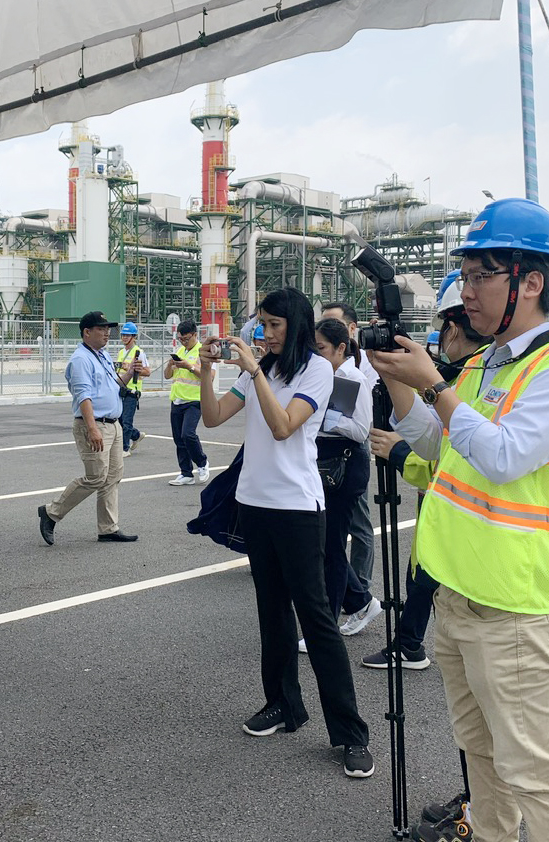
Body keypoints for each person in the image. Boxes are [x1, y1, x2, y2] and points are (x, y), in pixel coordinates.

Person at [370, 199, 549, 840]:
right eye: (464, 275)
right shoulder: (485, 363)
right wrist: (400, 380)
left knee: (537, 774)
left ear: (530, 281)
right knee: (483, 759)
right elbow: (438, 442)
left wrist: (435, 386)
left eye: (480, 276)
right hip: (459, 598)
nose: (464, 292)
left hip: (518, 610)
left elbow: (502, 457)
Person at [199, 286, 375, 779]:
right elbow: (213, 418)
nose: (265, 332)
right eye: (262, 323)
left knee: (316, 619)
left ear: (295, 325)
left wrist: (253, 370)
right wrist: (208, 368)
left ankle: (350, 733)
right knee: (271, 613)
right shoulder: (264, 368)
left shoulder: (317, 370)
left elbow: (284, 427)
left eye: (275, 325)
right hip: (254, 504)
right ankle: (282, 705)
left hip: (298, 508)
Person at [362, 270, 492, 672]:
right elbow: (434, 438)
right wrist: (395, 371)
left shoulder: (494, 373)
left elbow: (453, 454)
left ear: (452, 326)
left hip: (489, 557)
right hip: (455, 530)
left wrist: (399, 453)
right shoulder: (469, 374)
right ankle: (409, 644)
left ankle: (408, 643)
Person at [37, 311, 139, 546]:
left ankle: (108, 528)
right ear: (87, 332)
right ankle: (51, 512)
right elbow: (84, 397)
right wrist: (92, 429)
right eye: (102, 329)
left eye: (107, 328)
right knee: (96, 477)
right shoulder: (81, 359)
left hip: (113, 425)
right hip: (95, 425)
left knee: (113, 477)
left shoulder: (101, 355)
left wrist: (131, 372)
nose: (107, 333)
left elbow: (113, 385)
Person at [308, 318, 380, 650]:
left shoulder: (350, 377)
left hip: (344, 464)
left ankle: (329, 623)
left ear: (340, 348)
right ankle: (362, 602)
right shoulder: (327, 374)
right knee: (326, 543)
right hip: (327, 463)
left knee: (332, 545)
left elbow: (360, 429)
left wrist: (325, 417)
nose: (316, 355)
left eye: (321, 349)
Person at [164, 320, 210, 486]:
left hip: (194, 400)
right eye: (181, 339)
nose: (183, 341)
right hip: (177, 400)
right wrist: (170, 364)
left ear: (195, 335)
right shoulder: (180, 351)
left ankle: (202, 463)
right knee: (178, 439)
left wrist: (189, 366)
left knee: (187, 434)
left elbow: (209, 376)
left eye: (186, 338)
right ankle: (186, 473)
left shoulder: (203, 352)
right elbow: (167, 376)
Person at [115, 322, 150, 457]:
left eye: (127, 335)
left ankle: (125, 448)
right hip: (121, 389)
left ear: (134, 337)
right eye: (123, 334)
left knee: (127, 420)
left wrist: (131, 369)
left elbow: (147, 371)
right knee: (120, 419)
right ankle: (136, 435)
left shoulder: (138, 353)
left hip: (132, 391)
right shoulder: (121, 352)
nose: (124, 337)